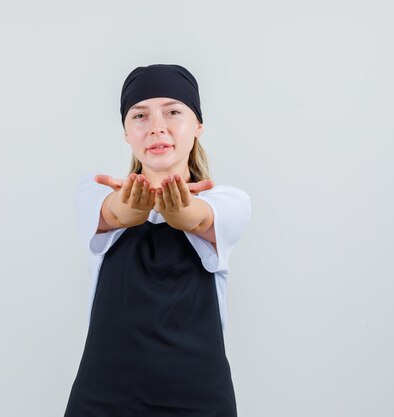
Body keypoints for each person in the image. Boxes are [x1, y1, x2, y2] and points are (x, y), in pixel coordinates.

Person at [63, 64, 252, 416]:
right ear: (126, 132)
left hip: (197, 399)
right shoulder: (94, 191)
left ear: (198, 126)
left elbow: (194, 217)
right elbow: (118, 214)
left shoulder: (228, 201)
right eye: (140, 115)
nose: (157, 127)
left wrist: (178, 210)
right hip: (103, 397)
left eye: (173, 112)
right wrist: (134, 204)